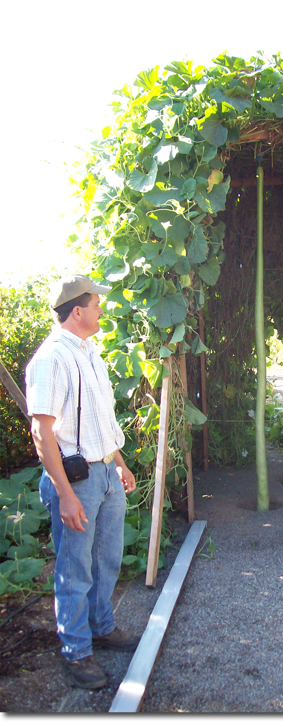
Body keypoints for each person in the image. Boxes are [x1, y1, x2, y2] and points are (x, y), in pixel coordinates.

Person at [25, 274, 140, 690]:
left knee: (107, 559)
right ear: (78, 311)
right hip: (78, 482)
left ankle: (101, 627)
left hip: (106, 473)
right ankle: (76, 652)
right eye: (97, 305)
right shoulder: (51, 358)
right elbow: (42, 432)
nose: (101, 310)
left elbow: (100, 421)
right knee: (75, 570)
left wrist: (119, 463)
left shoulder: (91, 353)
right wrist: (65, 494)